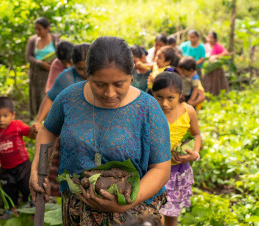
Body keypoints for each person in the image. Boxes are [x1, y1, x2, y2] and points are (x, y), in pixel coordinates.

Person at [30, 36, 171, 225]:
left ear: (132, 75)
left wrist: (126, 203)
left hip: (133, 214)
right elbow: (48, 131)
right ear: (87, 75)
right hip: (77, 213)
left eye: (119, 84)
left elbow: (161, 168)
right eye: (100, 84)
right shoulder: (69, 98)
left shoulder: (148, 109)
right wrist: (37, 168)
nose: (110, 93)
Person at [33, 43, 90, 197]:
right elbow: (51, 98)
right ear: (73, 65)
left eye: (87, 68)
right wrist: (38, 121)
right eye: (80, 68)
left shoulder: (101, 75)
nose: (84, 72)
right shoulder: (66, 78)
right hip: (71, 136)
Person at [152, 72, 202, 226]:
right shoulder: (150, 111)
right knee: (153, 214)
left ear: (180, 95)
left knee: (171, 216)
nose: (164, 103)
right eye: (159, 97)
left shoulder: (189, 111)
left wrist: (194, 153)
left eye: (170, 98)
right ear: (152, 94)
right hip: (152, 170)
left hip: (176, 173)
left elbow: (197, 135)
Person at [25, 17, 60, 118]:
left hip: (51, 74)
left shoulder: (55, 39)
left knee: (48, 98)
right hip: (36, 74)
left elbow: (60, 54)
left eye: (39, 29)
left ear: (47, 29)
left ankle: (48, 122)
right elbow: (28, 56)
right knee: (35, 98)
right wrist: (41, 63)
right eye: (35, 29)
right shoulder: (32, 40)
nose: (37, 32)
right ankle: (35, 121)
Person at [202, 31, 230, 96]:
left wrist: (216, 56)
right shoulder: (205, 46)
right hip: (208, 70)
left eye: (211, 38)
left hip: (216, 70)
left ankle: (219, 97)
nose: (210, 39)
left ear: (215, 39)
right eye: (209, 37)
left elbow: (226, 53)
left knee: (218, 84)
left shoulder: (218, 46)